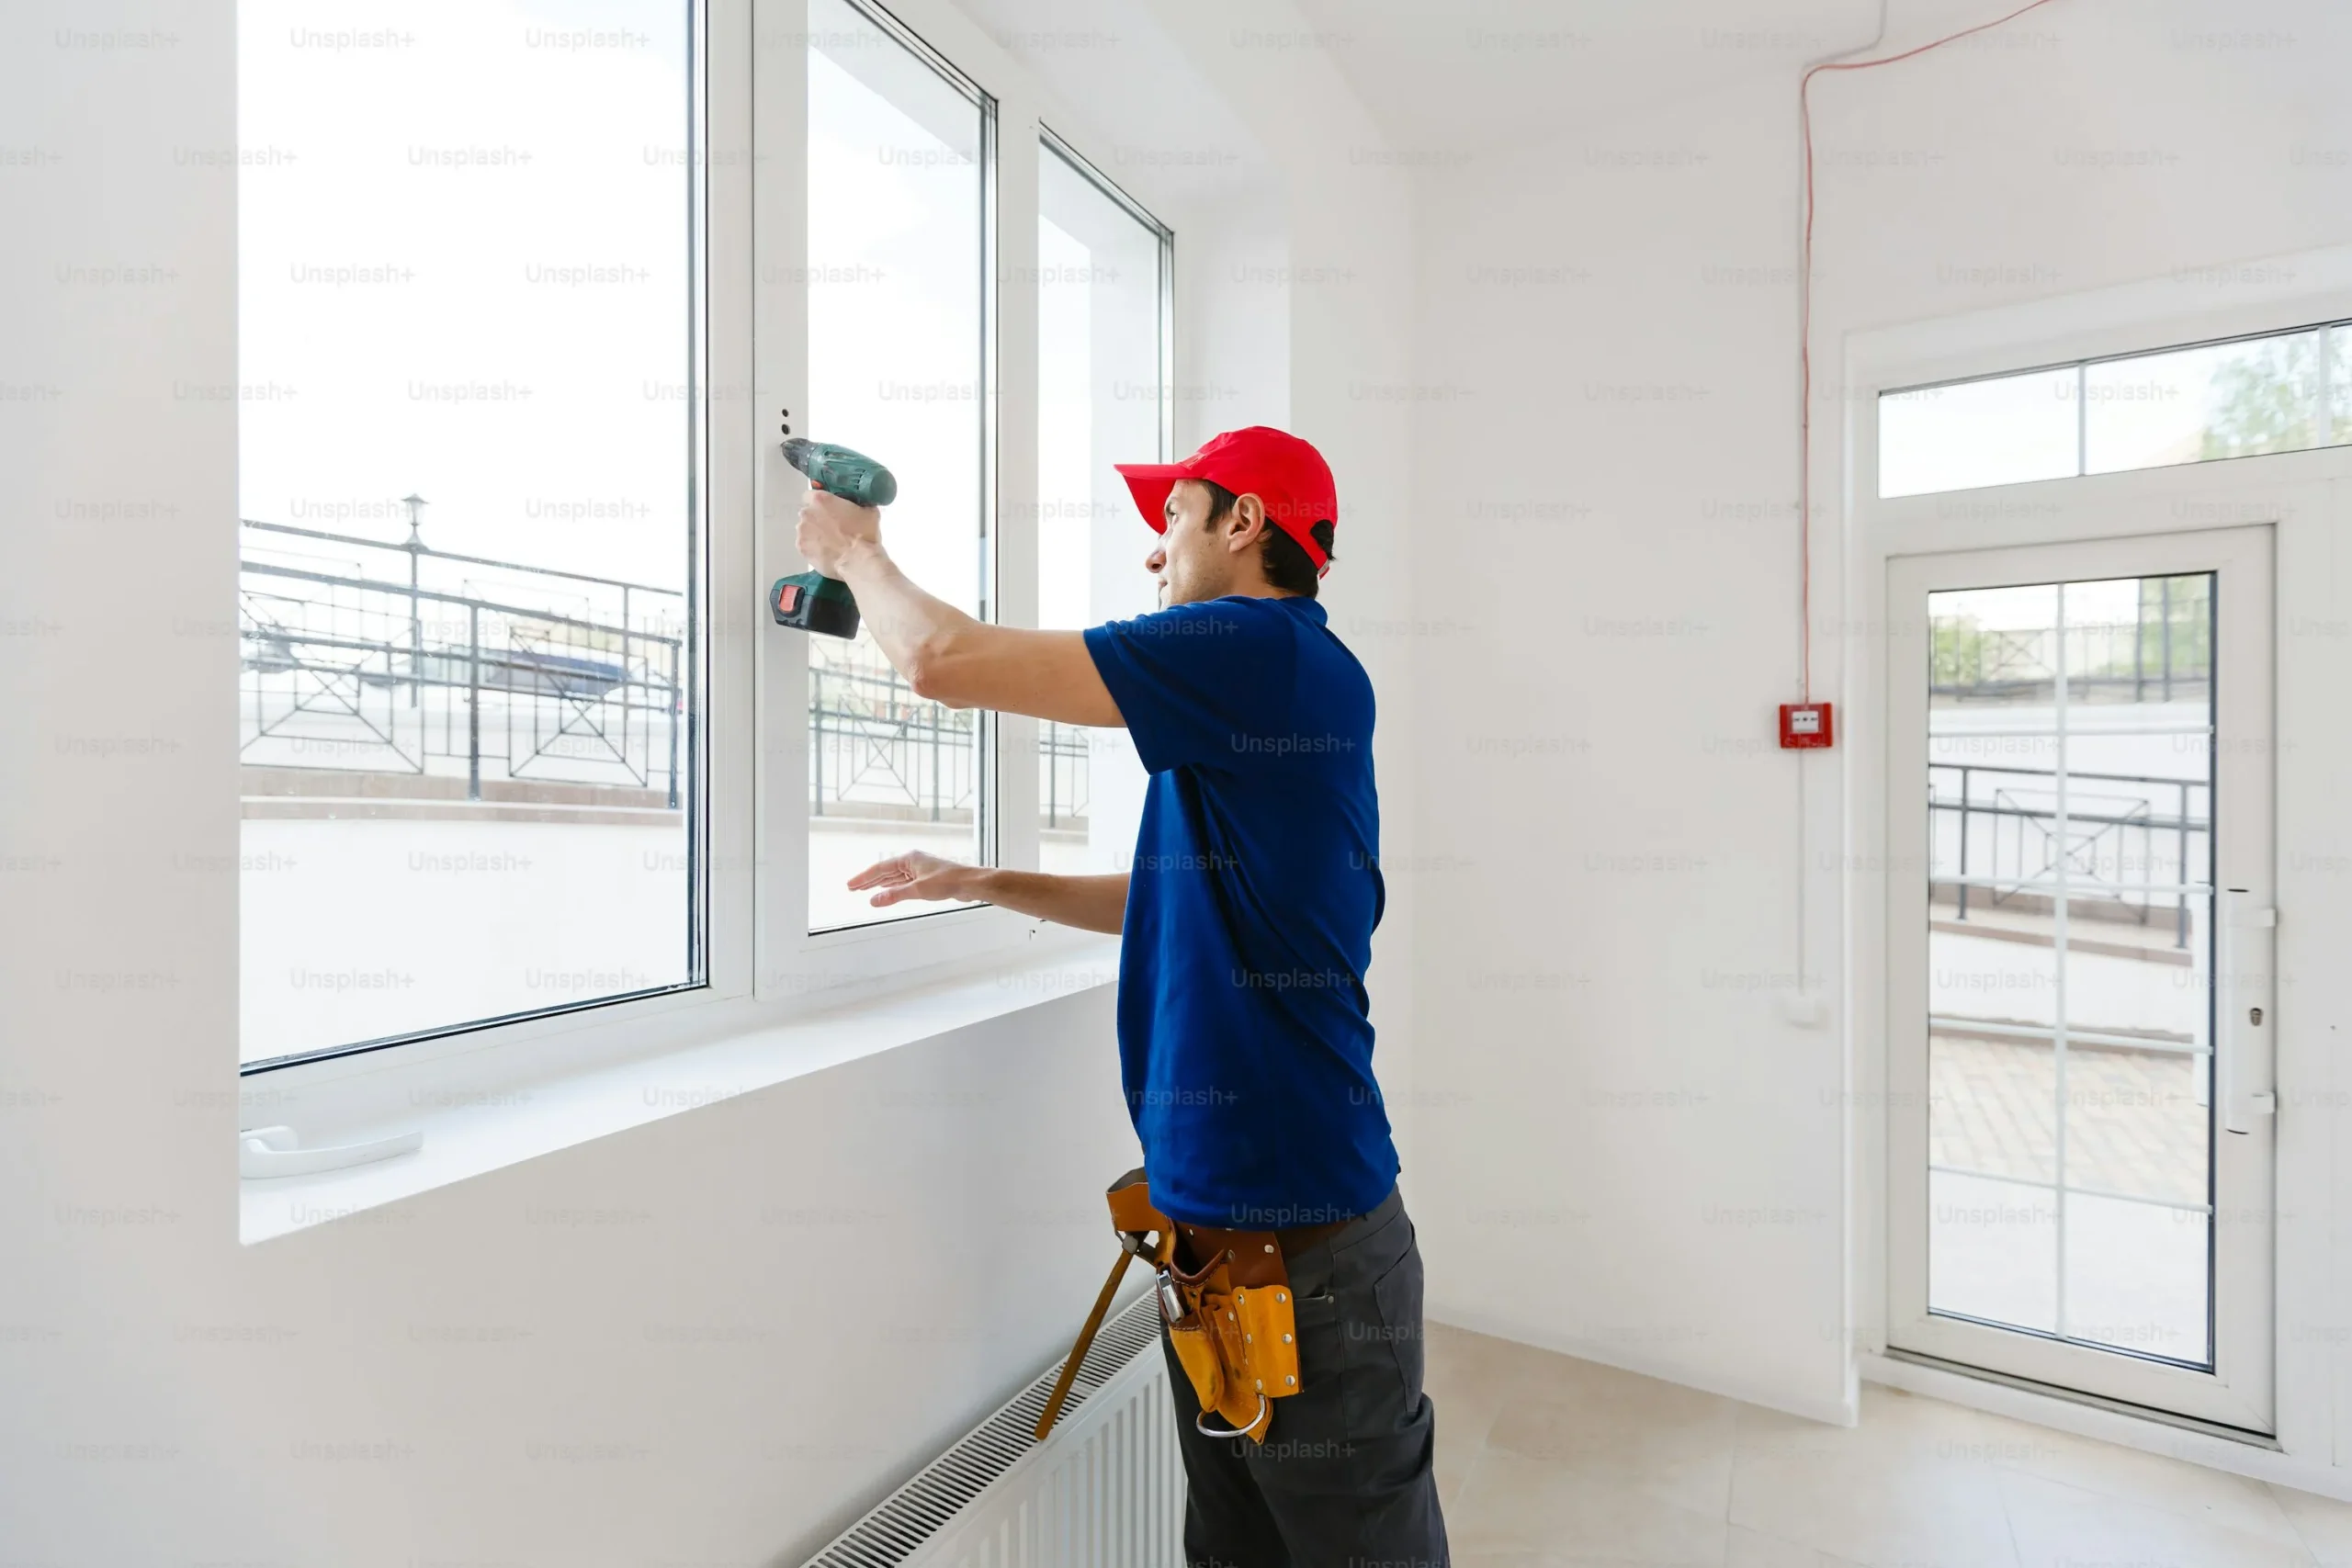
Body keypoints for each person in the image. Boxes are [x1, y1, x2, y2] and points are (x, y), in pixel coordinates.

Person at [796, 424, 1446, 1568]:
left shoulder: (1258, 648)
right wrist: (980, 879)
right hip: (1215, 1251)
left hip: (1313, 1261)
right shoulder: (1260, 704)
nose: (1154, 556)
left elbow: (940, 660)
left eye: (1174, 520)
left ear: (1245, 524)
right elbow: (1162, 900)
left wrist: (854, 556)